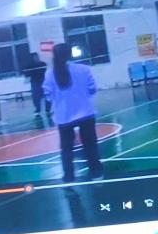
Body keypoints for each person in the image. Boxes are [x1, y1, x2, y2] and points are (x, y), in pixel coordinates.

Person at [44, 43, 103, 183]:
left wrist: (60, 100)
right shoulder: (84, 69)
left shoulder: (50, 73)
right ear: (70, 54)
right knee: (90, 145)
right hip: (85, 112)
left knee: (66, 148)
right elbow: (92, 89)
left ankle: (68, 176)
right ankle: (96, 172)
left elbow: (48, 95)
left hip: (63, 116)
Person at [23, 52, 50, 120]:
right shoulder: (29, 66)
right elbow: (26, 74)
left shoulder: (42, 64)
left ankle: (48, 110)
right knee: (36, 97)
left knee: (47, 96)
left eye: (37, 56)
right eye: (35, 57)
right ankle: (37, 110)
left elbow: (44, 71)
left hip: (43, 81)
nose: (37, 58)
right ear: (32, 58)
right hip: (35, 82)